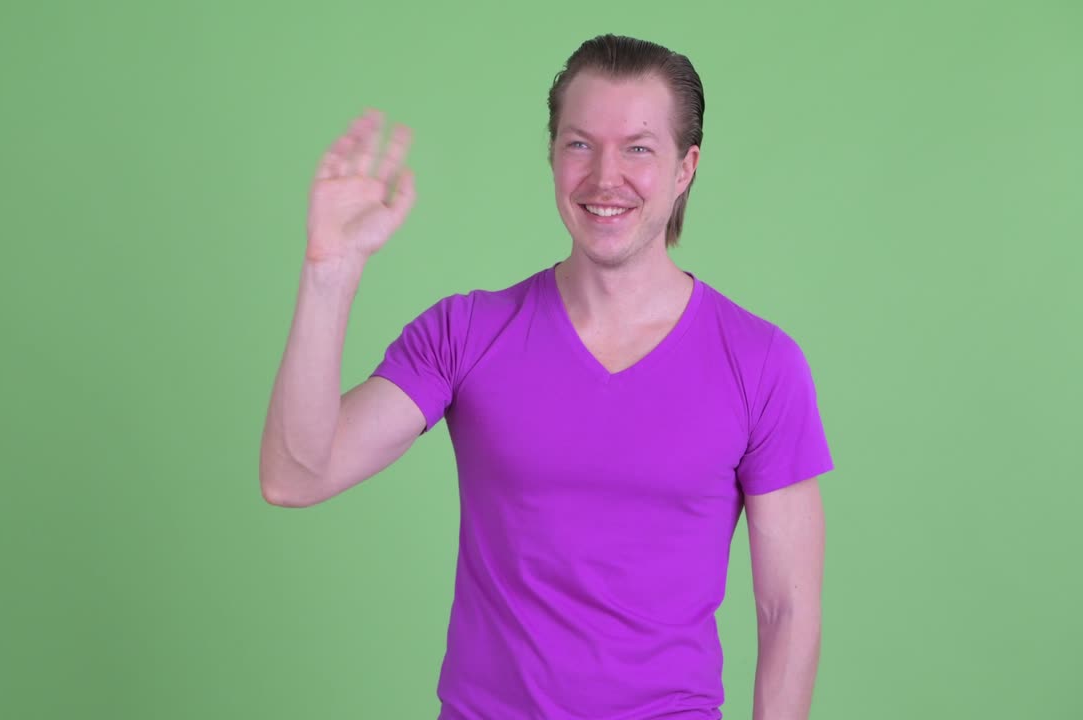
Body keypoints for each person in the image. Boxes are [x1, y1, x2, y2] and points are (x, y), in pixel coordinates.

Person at [260, 33, 833, 720]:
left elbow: (787, 609)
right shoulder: (466, 334)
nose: (604, 177)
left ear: (686, 167)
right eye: (580, 144)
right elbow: (296, 476)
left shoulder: (761, 363)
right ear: (554, 155)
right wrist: (330, 272)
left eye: (639, 148)